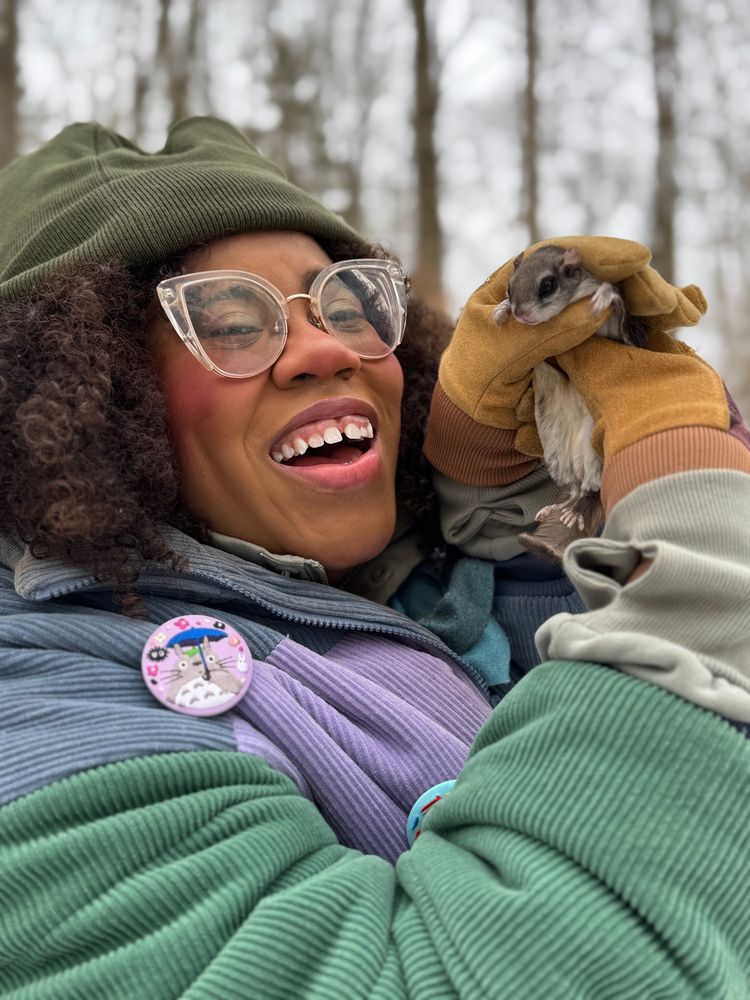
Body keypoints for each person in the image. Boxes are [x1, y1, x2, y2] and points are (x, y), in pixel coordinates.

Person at [0, 116, 748, 998]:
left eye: (348, 304)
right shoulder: (37, 703)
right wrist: (697, 594)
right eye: (233, 320)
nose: (328, 348)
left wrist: (527, 541)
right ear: (86, 395)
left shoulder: (405, 585)